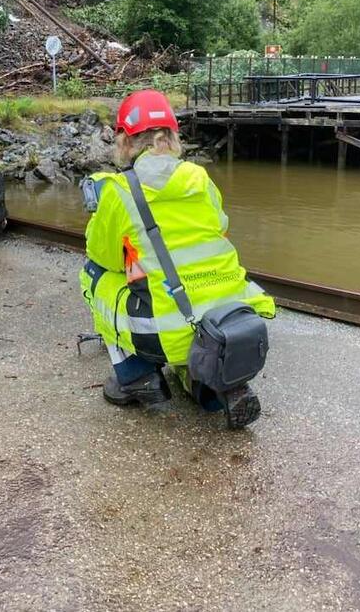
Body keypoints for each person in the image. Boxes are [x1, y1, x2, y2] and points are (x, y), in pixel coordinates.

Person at [79, 89, 275, 429]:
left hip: (163, 329)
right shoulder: (201, 179)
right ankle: (207, 382)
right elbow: (220, 229)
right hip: (226, 318)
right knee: (182, 287)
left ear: (126, 140)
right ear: (171, 136)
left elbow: (103, 255)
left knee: (95, 275)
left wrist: (104, 219)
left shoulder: (118, 190)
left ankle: (136, 376)